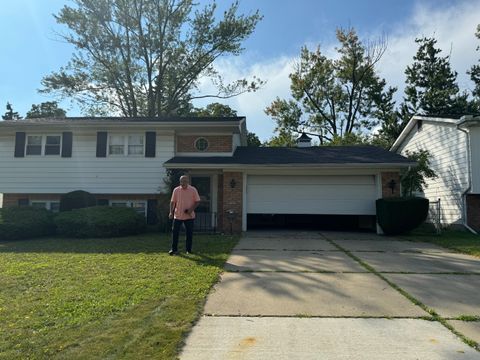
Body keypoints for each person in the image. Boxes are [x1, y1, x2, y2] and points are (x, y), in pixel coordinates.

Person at [168, 175, 201, 255]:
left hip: (189, 216)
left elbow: (197, 201)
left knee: (189, 234)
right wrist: (171, 212)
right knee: (175, 233)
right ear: (180, 182)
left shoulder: (193, 190)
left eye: (185, 181)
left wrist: (190, 210)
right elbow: (173, 202)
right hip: (177, 215)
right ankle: (174, 249)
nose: (183, 183)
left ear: (188, 182)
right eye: (182, 181)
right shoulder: (176, 190)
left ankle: (188, 250)